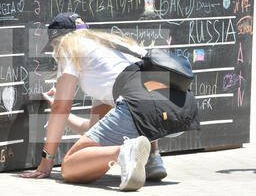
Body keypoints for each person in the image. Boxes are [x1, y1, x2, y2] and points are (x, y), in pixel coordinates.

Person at [20, 12, 199, 191]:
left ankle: (125, 152)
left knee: (70, 166)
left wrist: (46, 162)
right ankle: (153, 157)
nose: (54, 52)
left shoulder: (70, 47)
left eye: (53, 47)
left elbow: (62, 106)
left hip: (141, 107)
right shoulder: (116, 47)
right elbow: (92, 129)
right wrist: (58, 109)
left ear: (59, 40)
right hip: (181, 109)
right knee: (141, 98)